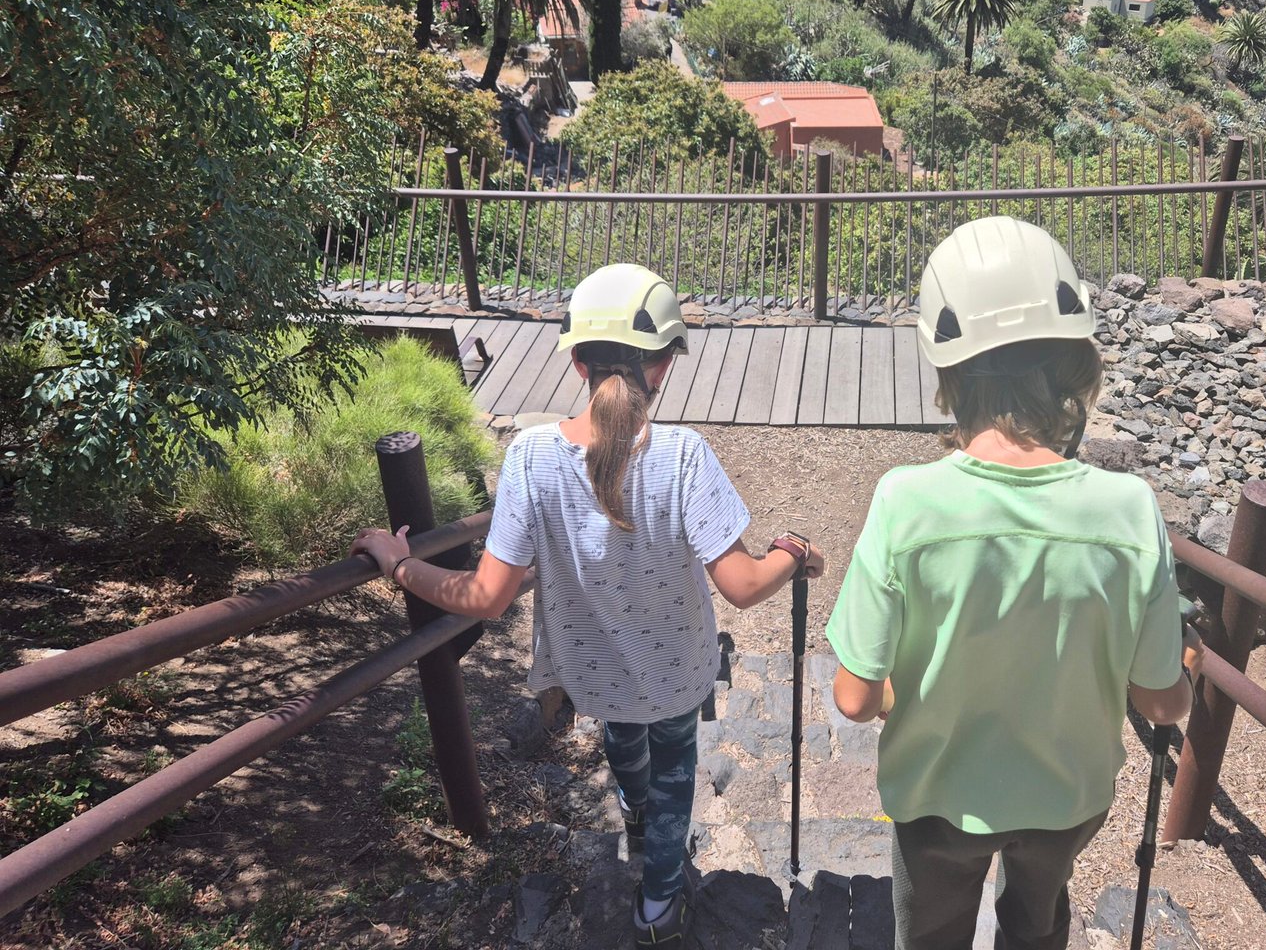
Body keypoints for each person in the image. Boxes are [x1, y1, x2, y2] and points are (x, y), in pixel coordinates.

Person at [351, 263, 825, 948]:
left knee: (624, 743)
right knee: (674, 774)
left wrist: (400, 564)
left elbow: (485, 597)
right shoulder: (684, 456)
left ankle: (634, 816)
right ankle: (658, 907)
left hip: (591, 672)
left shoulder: (531, 458)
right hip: (676, 672)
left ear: (576, 361)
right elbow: (744, 585)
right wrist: (792, 550)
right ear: (662, 366)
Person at [824, 216, 1202, 950]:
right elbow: (1162, 703)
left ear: (947, 370)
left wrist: (912, 695)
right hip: (1065, 801)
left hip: (935, 799)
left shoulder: (906, 502)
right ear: (1072, 363)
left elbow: (855, 697)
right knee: (1037, 923)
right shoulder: (1129, 511)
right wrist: (1185, 666)